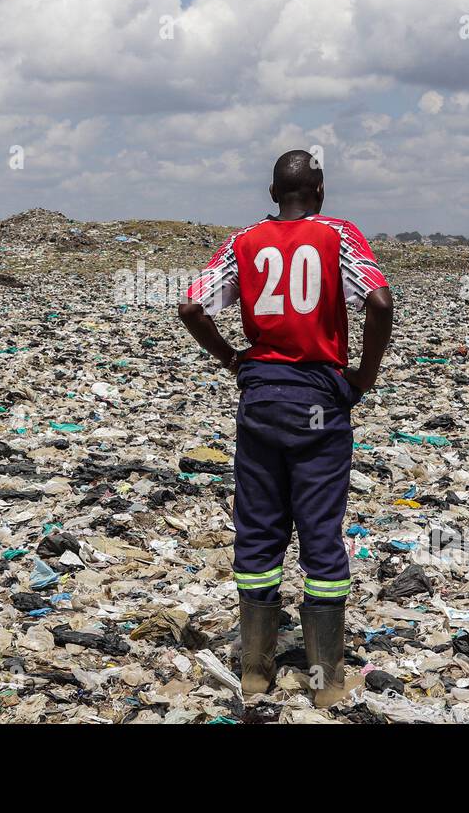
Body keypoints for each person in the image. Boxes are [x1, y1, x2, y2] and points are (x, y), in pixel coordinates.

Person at [177, 149, 393, 707]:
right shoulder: (338, 234)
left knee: (259, 528)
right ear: (320, 191)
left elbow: (191, 307)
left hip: (261, 400)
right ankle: (327, 682)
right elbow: (379, 301)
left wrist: (233, 360)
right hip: (319, 400)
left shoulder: (244, 241)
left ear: (273, 194)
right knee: (321, 532)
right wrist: (362, 379)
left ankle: (255, 672)